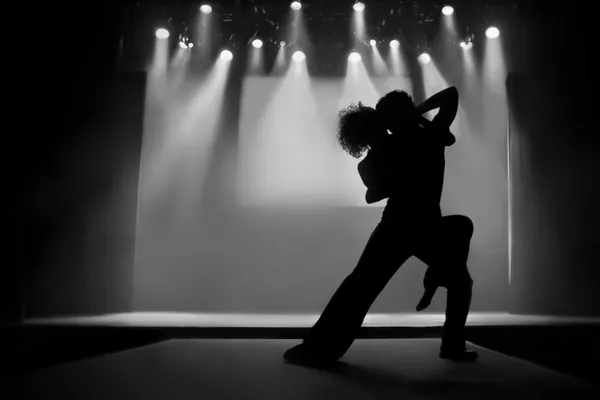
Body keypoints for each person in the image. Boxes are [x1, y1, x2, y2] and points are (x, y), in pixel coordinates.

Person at [283, 86, 478, 369]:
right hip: (422, 225)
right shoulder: (430, 137)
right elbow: (450, 95)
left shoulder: (380, 158)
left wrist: (412, 118)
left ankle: (318, 348)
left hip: (399, 226)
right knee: (459, 272)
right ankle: (450, 339)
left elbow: (376, 190)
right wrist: (419, 115)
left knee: (360, 286)